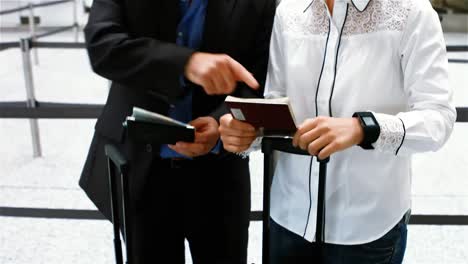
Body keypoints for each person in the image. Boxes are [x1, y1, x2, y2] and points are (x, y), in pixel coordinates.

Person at [219, 0, 456, 263]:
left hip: (366, 228)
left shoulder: (411, 11)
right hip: (288, 216)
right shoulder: (289, 10)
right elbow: (278, 104)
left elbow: (439, 118)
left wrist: (364, 127)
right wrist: (248, 133)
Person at [79, 0, 275, 263]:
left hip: (219, 175)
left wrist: (220, 122)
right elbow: (102, 44)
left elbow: (260, 76)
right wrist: (185, 63)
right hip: (141, 168)